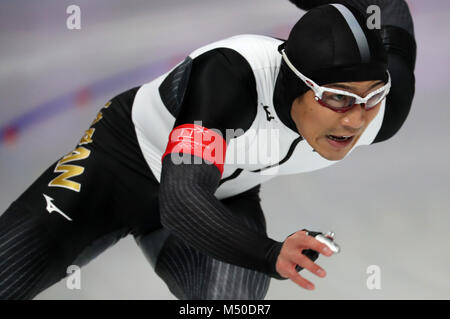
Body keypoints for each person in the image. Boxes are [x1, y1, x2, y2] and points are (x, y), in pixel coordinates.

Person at [0, 0, 416, 299]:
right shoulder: (230, 77)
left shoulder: (383, 112)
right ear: (294, 83)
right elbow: (181, 200)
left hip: (221, 197)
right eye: (337, 97)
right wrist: (268, 253)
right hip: (117, 167)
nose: (356, 119)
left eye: (372, 95)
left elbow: (388, 8)